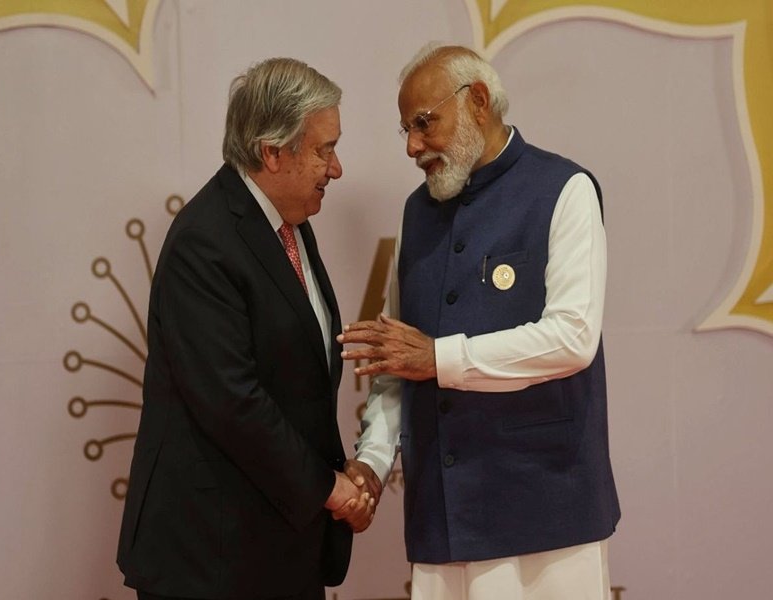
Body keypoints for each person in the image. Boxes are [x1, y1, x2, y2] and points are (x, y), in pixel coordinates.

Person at [338, 43, 621, 600]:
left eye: (424, 123)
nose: (414, 146)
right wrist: (372, 458)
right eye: (406, 131)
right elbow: (399, 358)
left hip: (548, 520)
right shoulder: (418, 213)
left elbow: (572, 338)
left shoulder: (564, 190)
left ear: (480, 102)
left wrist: (440, 357)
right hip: (441, 518)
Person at [117, 57, 373, 600]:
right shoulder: (204, 242)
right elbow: (232, 402)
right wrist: (330, 488)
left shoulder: (288, 224)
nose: (337, 168)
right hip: (210, 560)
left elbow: (297, 383)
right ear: (272, 151)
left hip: (278, 547)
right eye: (325, 149)